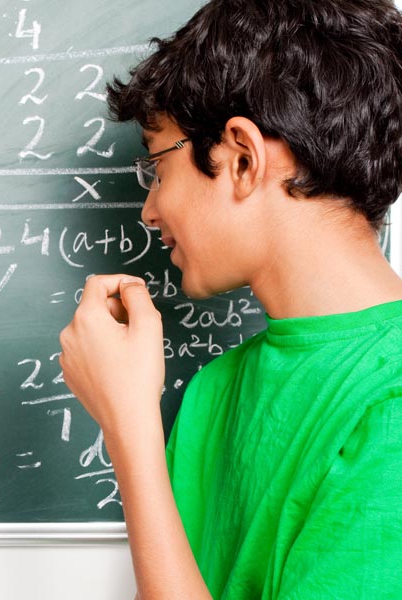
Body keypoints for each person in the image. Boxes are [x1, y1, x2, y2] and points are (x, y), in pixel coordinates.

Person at [58, 0, 402, 598]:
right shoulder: (213, 391)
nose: (148, 209)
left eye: (158, 169)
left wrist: (129, 424)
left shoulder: (391, 411)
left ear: (242, 159)